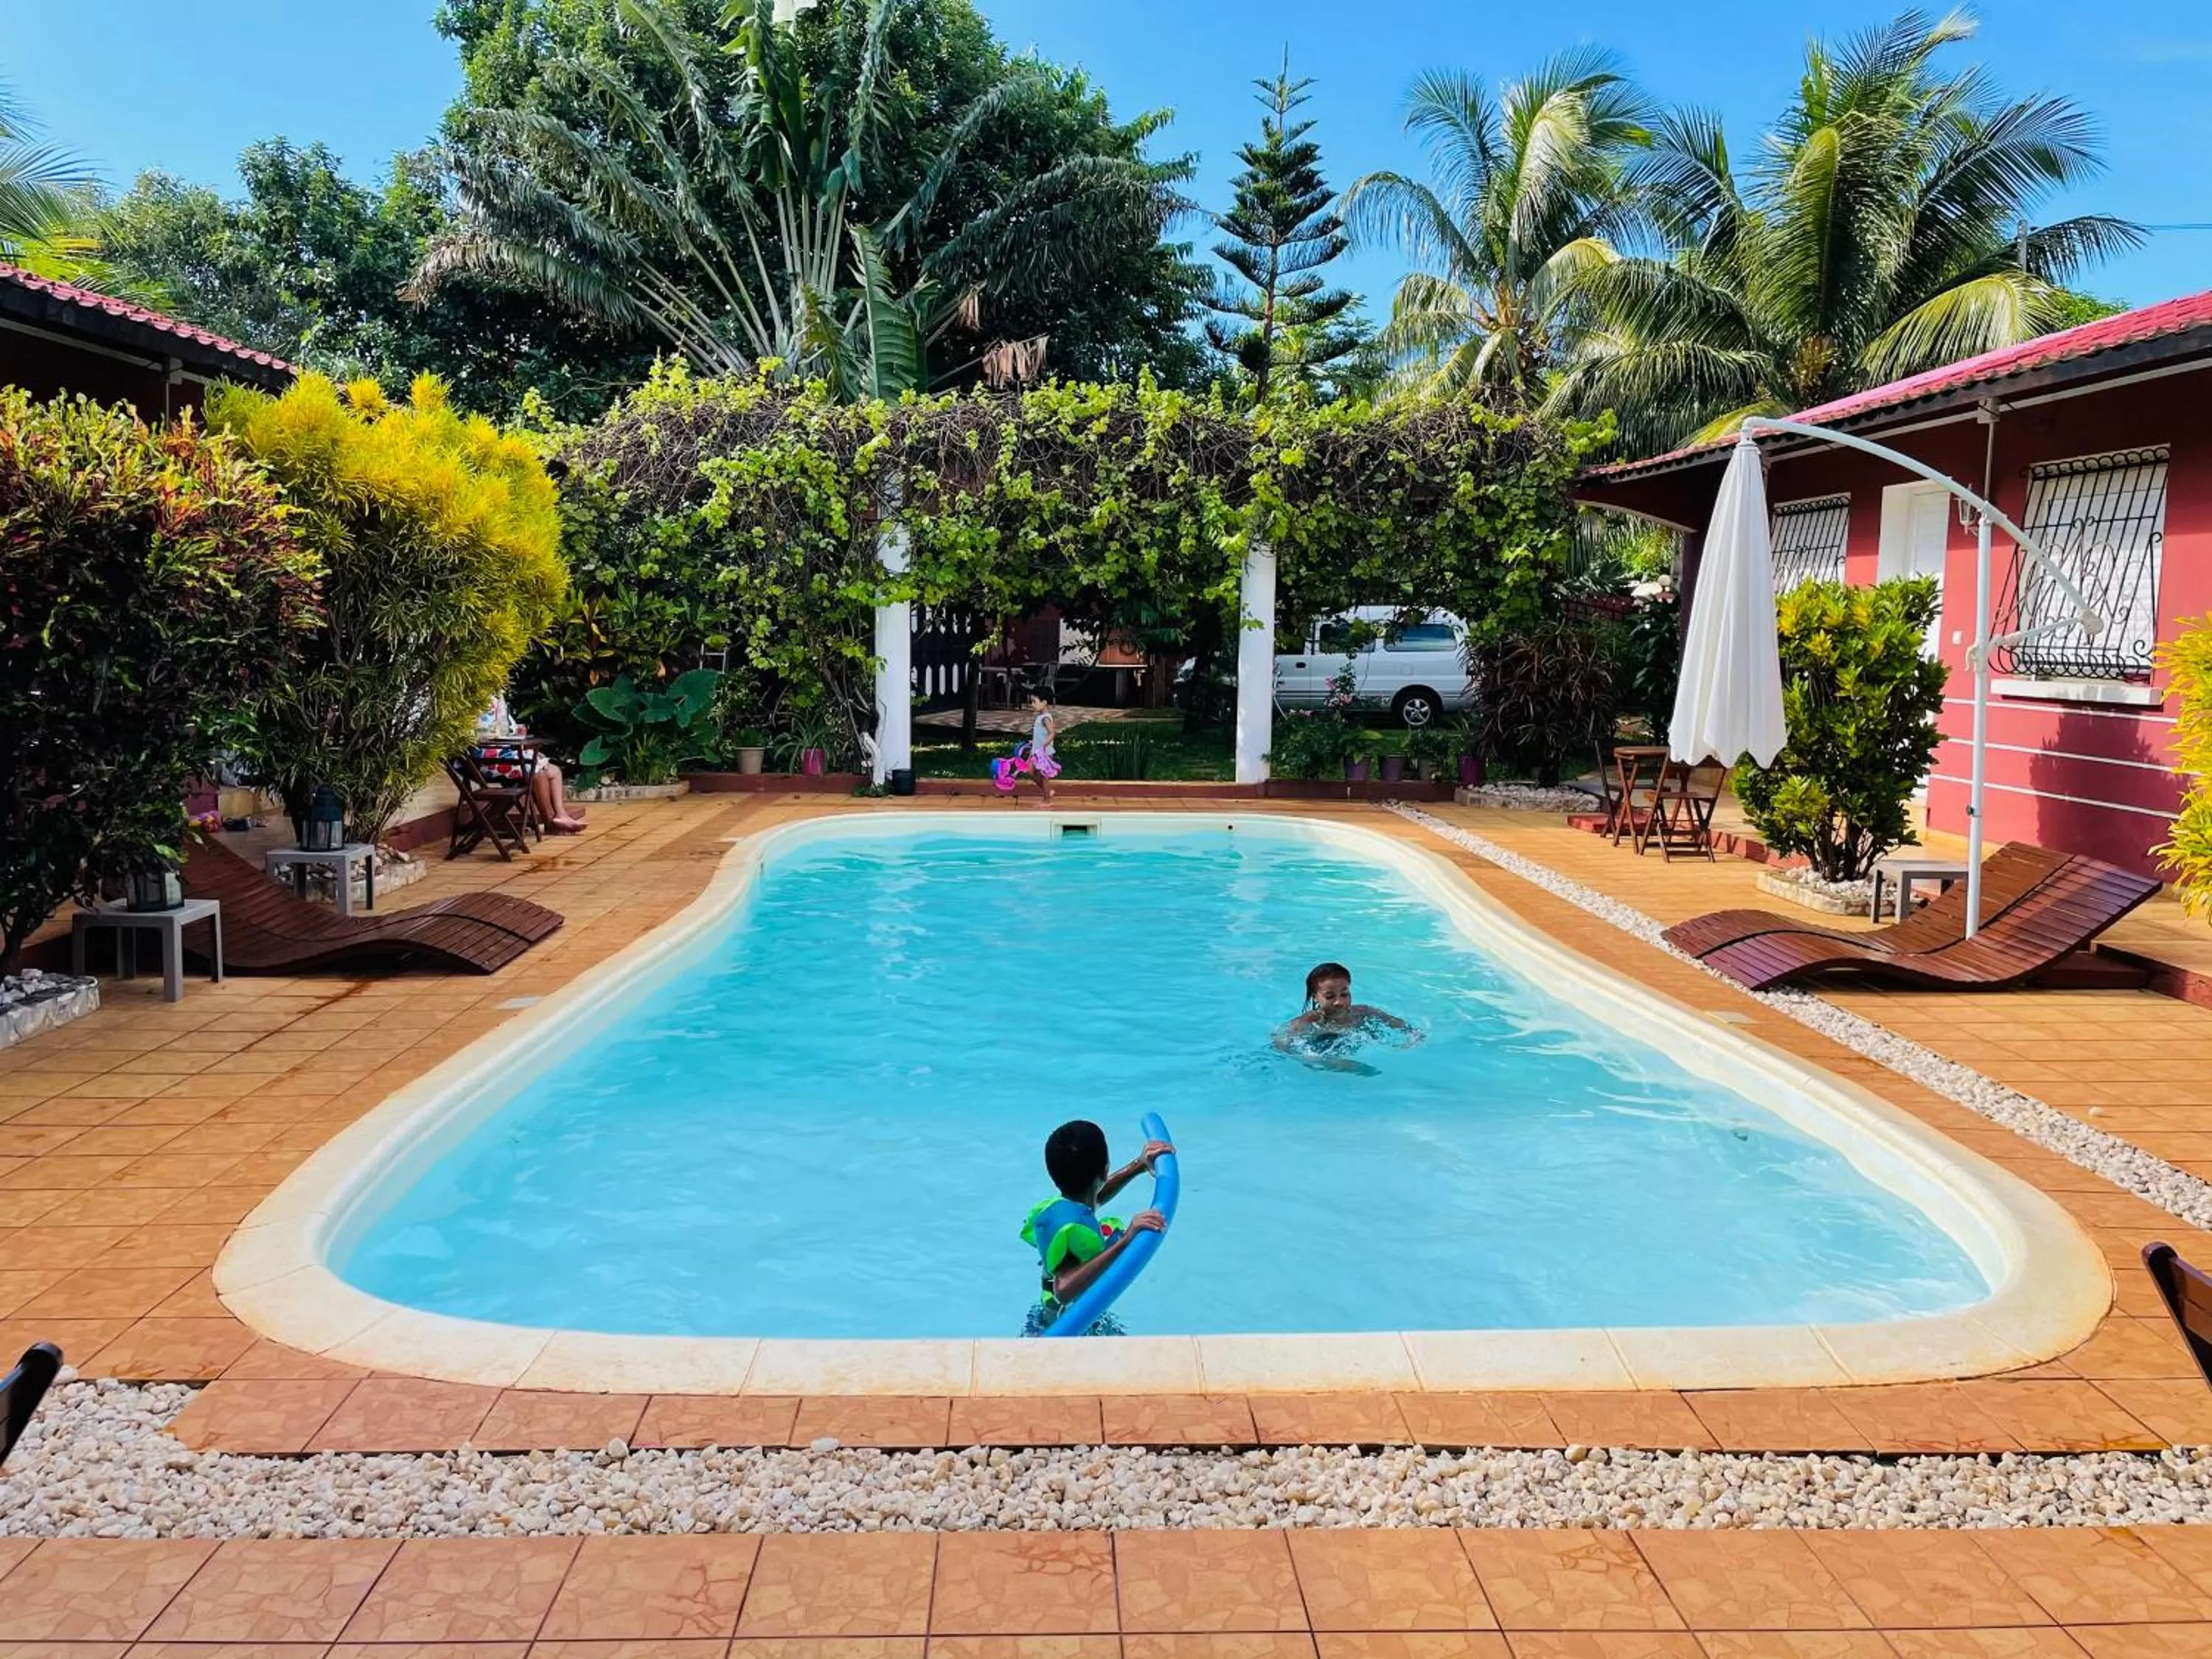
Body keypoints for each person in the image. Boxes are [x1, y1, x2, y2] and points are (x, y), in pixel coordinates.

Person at [1019, 1119, 1172, 1336]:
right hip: (1067, 1331)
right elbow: (1062, 1289)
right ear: (1105, 1168)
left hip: (1051, 1321)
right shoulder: (1070, 1226)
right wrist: (1127, 1240)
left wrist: (1139, 1165)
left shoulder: (1062, 1207)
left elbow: (1093, 1198)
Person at [1273, 961, 1416, 1067]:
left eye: (1344, 994)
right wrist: (1329, 1063)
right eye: (1330, 997)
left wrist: (1413, 1037)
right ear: (1315, 997)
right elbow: (1282, 1046)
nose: (1339, 1002)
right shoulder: (1306, 1023)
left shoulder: (1364, 1012)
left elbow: (1401, 1025)